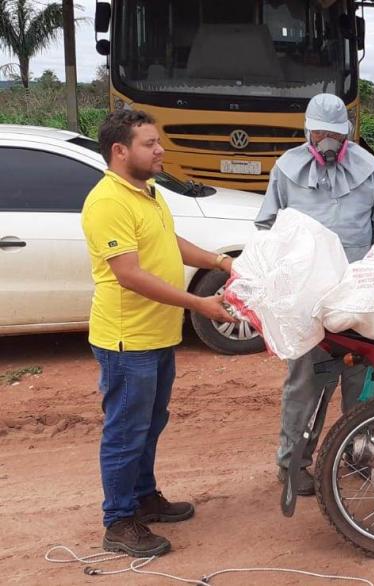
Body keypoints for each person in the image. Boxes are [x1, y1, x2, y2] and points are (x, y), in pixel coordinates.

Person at [81, 109, 238, 557]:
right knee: (125, 431)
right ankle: (119, 520)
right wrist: (199, 306)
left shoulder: (146, 192)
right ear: (120, 150)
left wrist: (221, 262)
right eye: (150, 143)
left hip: (157, 335)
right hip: (127, 341)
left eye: (157, 142)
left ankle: (143, 498)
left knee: (150, 424)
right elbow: (130, 275)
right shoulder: (108, 201)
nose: (159, 150)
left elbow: (169, 242)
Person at [255, 93, 374, 495]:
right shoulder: (286, 170)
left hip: (359, 296)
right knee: (306, 383)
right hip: (309, 301)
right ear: (307, 131)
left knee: (361, 378)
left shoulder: (369, 169)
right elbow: (268, 226)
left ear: (348, 132)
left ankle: (357, 452)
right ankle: (294, 464)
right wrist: (287, 269)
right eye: (320, 132)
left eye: (335, 134)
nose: (328, 141)